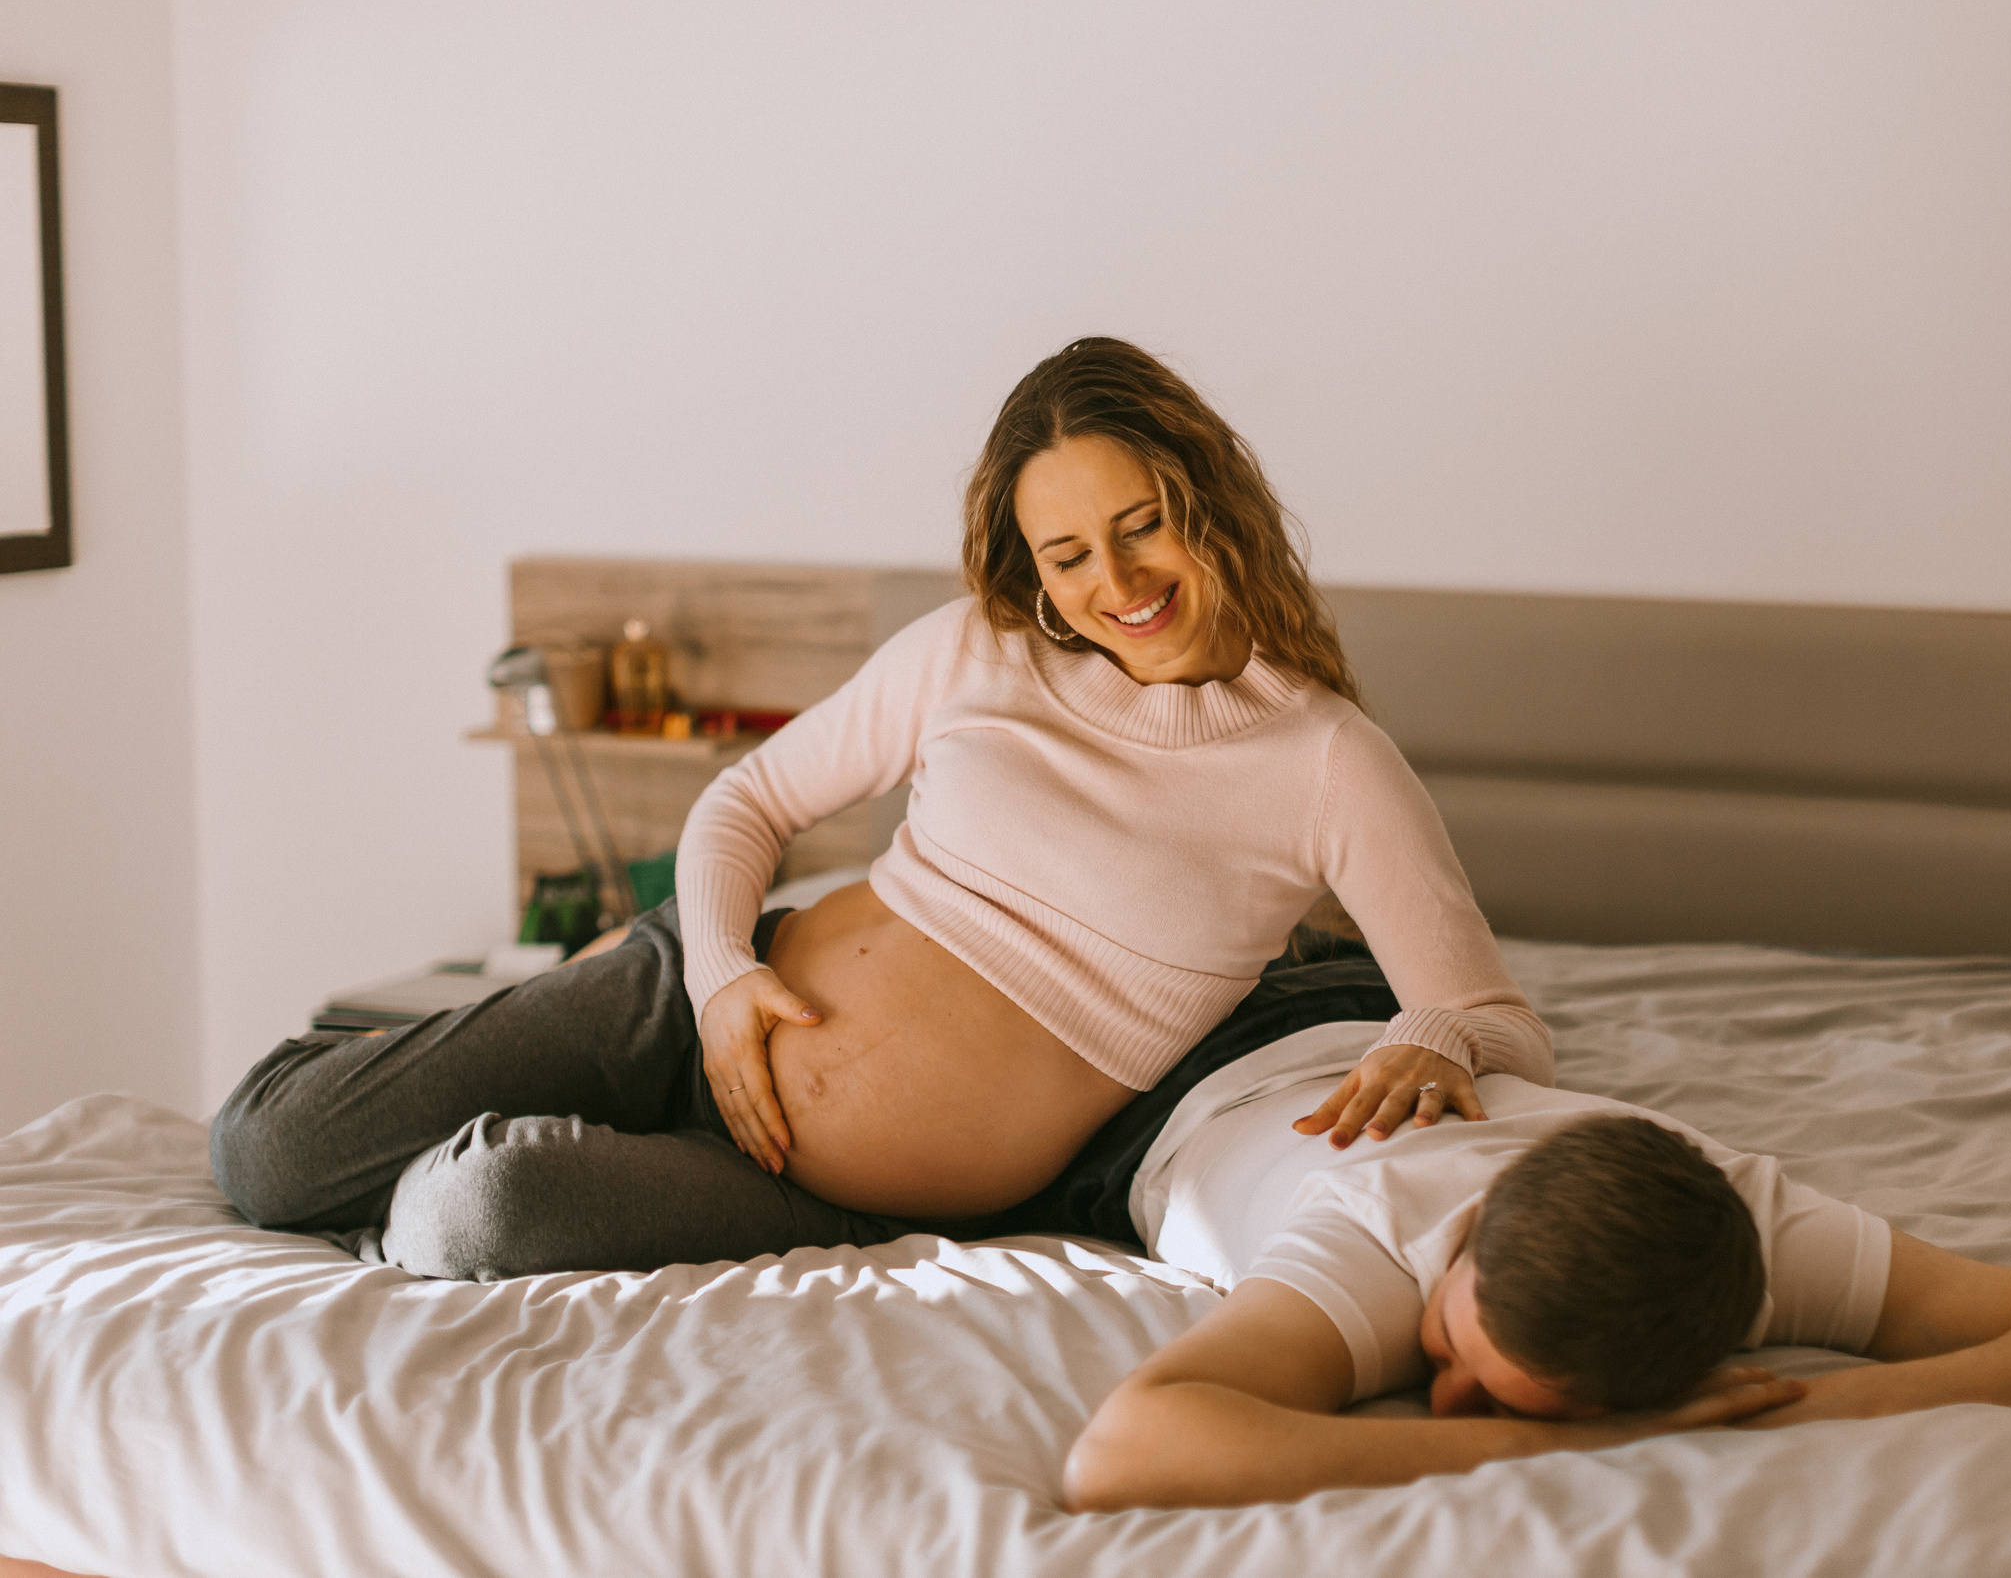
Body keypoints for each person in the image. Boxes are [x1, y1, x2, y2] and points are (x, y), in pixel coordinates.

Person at [207, 338, 1552, 1278]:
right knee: (270, 1154)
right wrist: (727, 979)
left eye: (1144, 524)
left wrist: (1434, 1033)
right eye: (1068, 553)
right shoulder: (980, 649)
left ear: (1215, 505)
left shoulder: (1326, 760)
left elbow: (1495, 1016)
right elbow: (747, 800)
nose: (1114, 580)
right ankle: (401, 1067)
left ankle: (446, 1124)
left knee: (471, 1209)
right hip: (687, 996)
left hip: (816, 1182)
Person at [1060, 1023, 2011, 1511]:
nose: (1444, 1396)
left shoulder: (1741, 1229)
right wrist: (1563, 1440)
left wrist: (1807, 1408)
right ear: (1459, 1251)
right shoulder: (1371, 1237)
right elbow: (1122, 1455)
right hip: (1149, 1074)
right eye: (1456, 1350)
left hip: (1370, 1025)